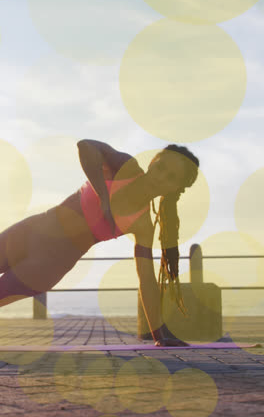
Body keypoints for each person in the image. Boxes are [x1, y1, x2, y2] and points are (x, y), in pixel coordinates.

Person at [0, 139, 199, 346]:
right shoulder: (125, 168)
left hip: (48, 265)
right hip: (28, 233)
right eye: (161, 167)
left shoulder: (142, 224)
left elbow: (147, 279)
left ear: (174, 189)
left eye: (171, 178)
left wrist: (160, 336)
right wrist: (103, 196)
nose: (160, 177)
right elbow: (86, 146)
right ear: (152, 163)